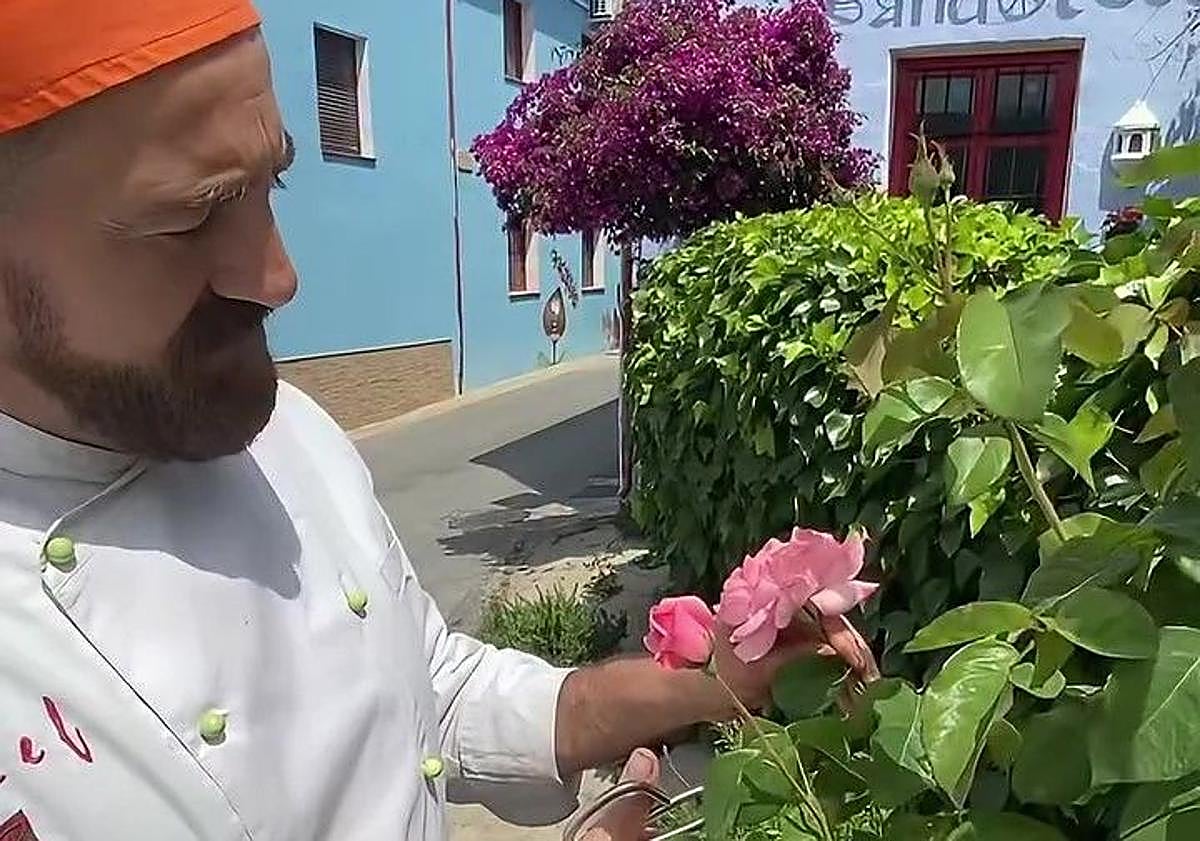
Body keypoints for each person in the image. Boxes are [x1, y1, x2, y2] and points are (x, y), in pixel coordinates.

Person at [0, 2, 873, 839]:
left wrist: (714, 679)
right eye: (190, 217)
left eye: (274, 180)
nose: (277, 275)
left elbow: (430, 689)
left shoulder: (291, 436)